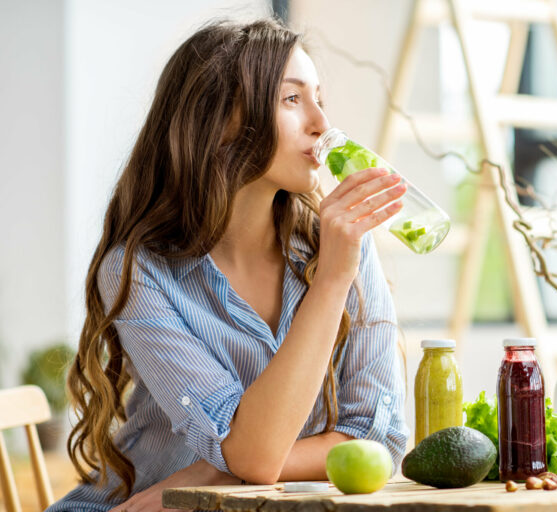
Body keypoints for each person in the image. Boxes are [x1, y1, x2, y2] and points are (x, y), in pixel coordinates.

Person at [47, 18, 409, 511]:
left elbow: (376, 442)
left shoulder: (340, 246)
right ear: (221, 121)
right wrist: (331, 284)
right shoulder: (140, 272)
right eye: (292, 99)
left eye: (319, 98)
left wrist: (215, 470)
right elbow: (257, 459)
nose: (322, 124)